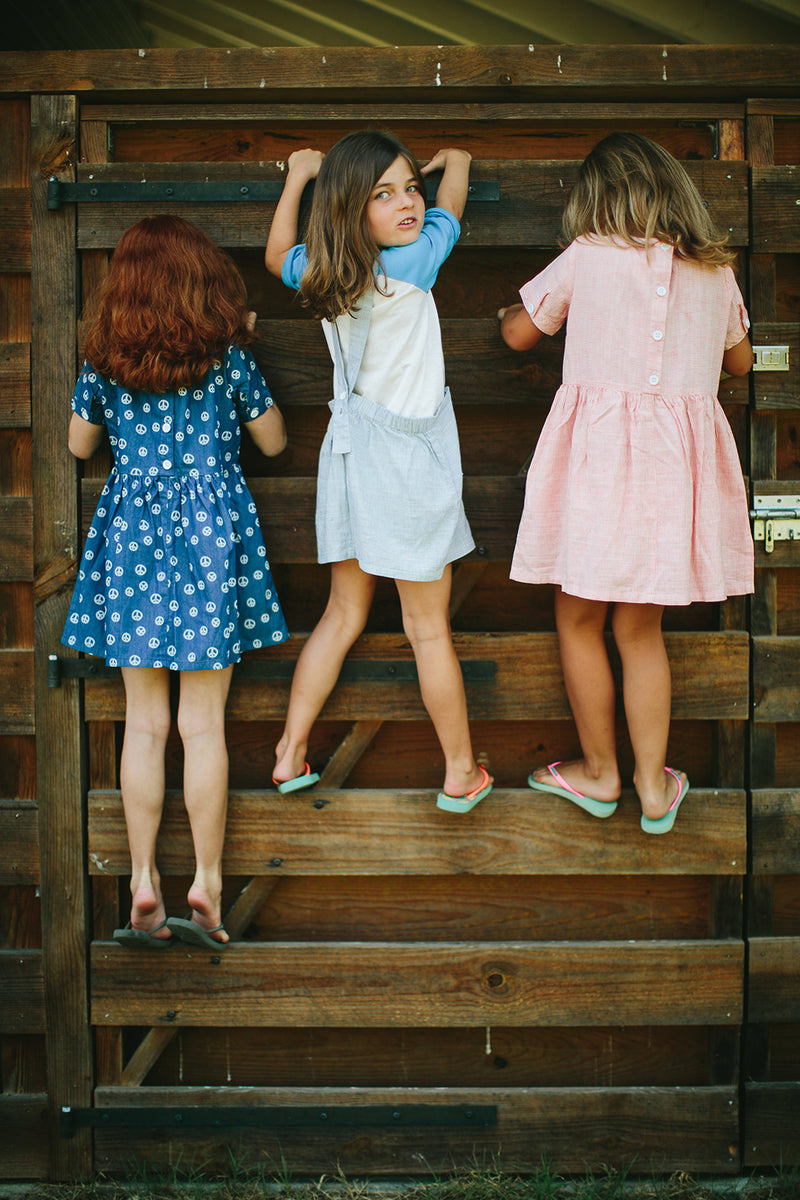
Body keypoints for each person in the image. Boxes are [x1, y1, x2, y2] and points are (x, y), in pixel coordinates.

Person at [498, 131, 753, 834]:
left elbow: (522, 334)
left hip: (596, 467)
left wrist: (509, 315)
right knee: (642, 631)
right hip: (674, 475)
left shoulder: (587, 257)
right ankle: (650, 783)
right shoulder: (715, 274)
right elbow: (741, 363)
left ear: (597, 198)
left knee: (579, 619)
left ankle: (600, 772)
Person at [63, 214, 289, 946]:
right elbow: (275, 440)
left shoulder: (105, 360)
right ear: (204, 279)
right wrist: (240, 335)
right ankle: (208, 881)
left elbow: (76, 444)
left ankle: (141, 880)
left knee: (146, 724)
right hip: (210, 539)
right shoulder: (226, 357)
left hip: (133, 539)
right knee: (202, 725)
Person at [264, 130, 492, 813]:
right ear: (354, 209)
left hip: (351, 453)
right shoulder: (414, 261)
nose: (408, 205)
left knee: (342, 614)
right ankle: (458, 770)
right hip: (406, 466)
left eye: (410, 189)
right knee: (428, 629)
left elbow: (276, 252)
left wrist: (298, 177)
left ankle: (287, 753)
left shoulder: (320, 268)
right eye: (384, 195)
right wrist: (459, 165)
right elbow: (451, 216)